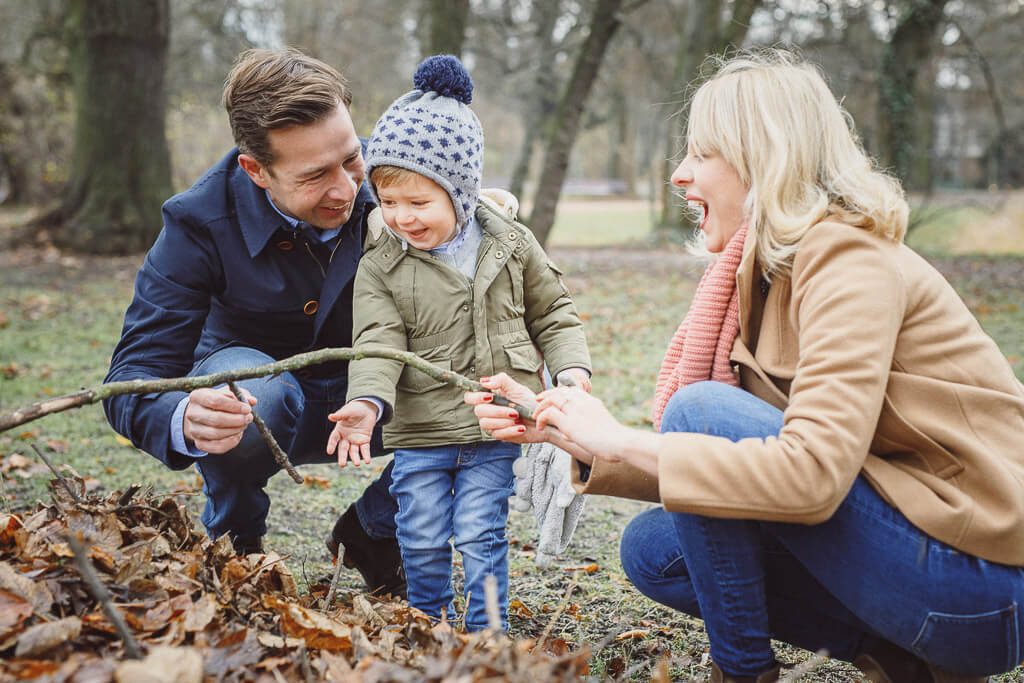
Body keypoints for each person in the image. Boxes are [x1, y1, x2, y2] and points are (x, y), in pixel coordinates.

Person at [467, 49, 1024, 682]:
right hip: (913, 542)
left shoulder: (849, 261)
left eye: (702, 154)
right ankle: (903, 660)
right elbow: (743, 468)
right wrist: (569, 431)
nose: (679, 174)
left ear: (765, 159)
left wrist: (620, 438)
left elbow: (809, 477)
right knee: (655, 551)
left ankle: (741, 672)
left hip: (984, 582)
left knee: (700, 411)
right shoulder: (760, 275)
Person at [103, 47, 405, 597]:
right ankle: (236, 550)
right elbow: (131, 377)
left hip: (378, 396)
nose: (347, 189)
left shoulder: (398, 179)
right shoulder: (197, 222)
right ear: (256, 170)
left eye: (351, 158)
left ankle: (374, 530)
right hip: (256, 408)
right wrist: (183, 416)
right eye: (315, 176)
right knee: (247, 393)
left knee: (498, 393)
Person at [327, 55, 591, 632]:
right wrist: (367, 402)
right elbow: (376, 339)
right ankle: (430, 620)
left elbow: (554, 312)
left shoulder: (512, 246)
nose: (402, 218)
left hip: (495, 423)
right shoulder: (382, 264)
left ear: (462, 192)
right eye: (388, 202)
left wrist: (571, 370)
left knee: (480, 531)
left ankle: (487, 627)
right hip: (421, 428)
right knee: (420, 532)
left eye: (419, 203)